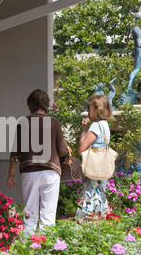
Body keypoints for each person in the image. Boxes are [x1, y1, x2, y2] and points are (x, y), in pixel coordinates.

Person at [7, 89, 69, 233]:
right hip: (50, 172)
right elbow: (63, 150)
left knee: (30, 215)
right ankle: (45, 252)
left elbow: (15, 152)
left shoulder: (23, 123)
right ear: (46, 104)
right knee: (48, 216)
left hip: (29, 172)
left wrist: (11, 174)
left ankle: (28, 251)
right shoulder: (54, 123)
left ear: (31, 104)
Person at [76, 94, 113, 222]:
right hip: (102, 170)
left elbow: (81, 149)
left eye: (90, 107)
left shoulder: (95, 126)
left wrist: (83, 130)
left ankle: (89, 227)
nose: (88, 110)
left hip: (93, 171)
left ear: (97, 109)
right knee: (99, 201)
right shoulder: (105, 125)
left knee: (90, 201)